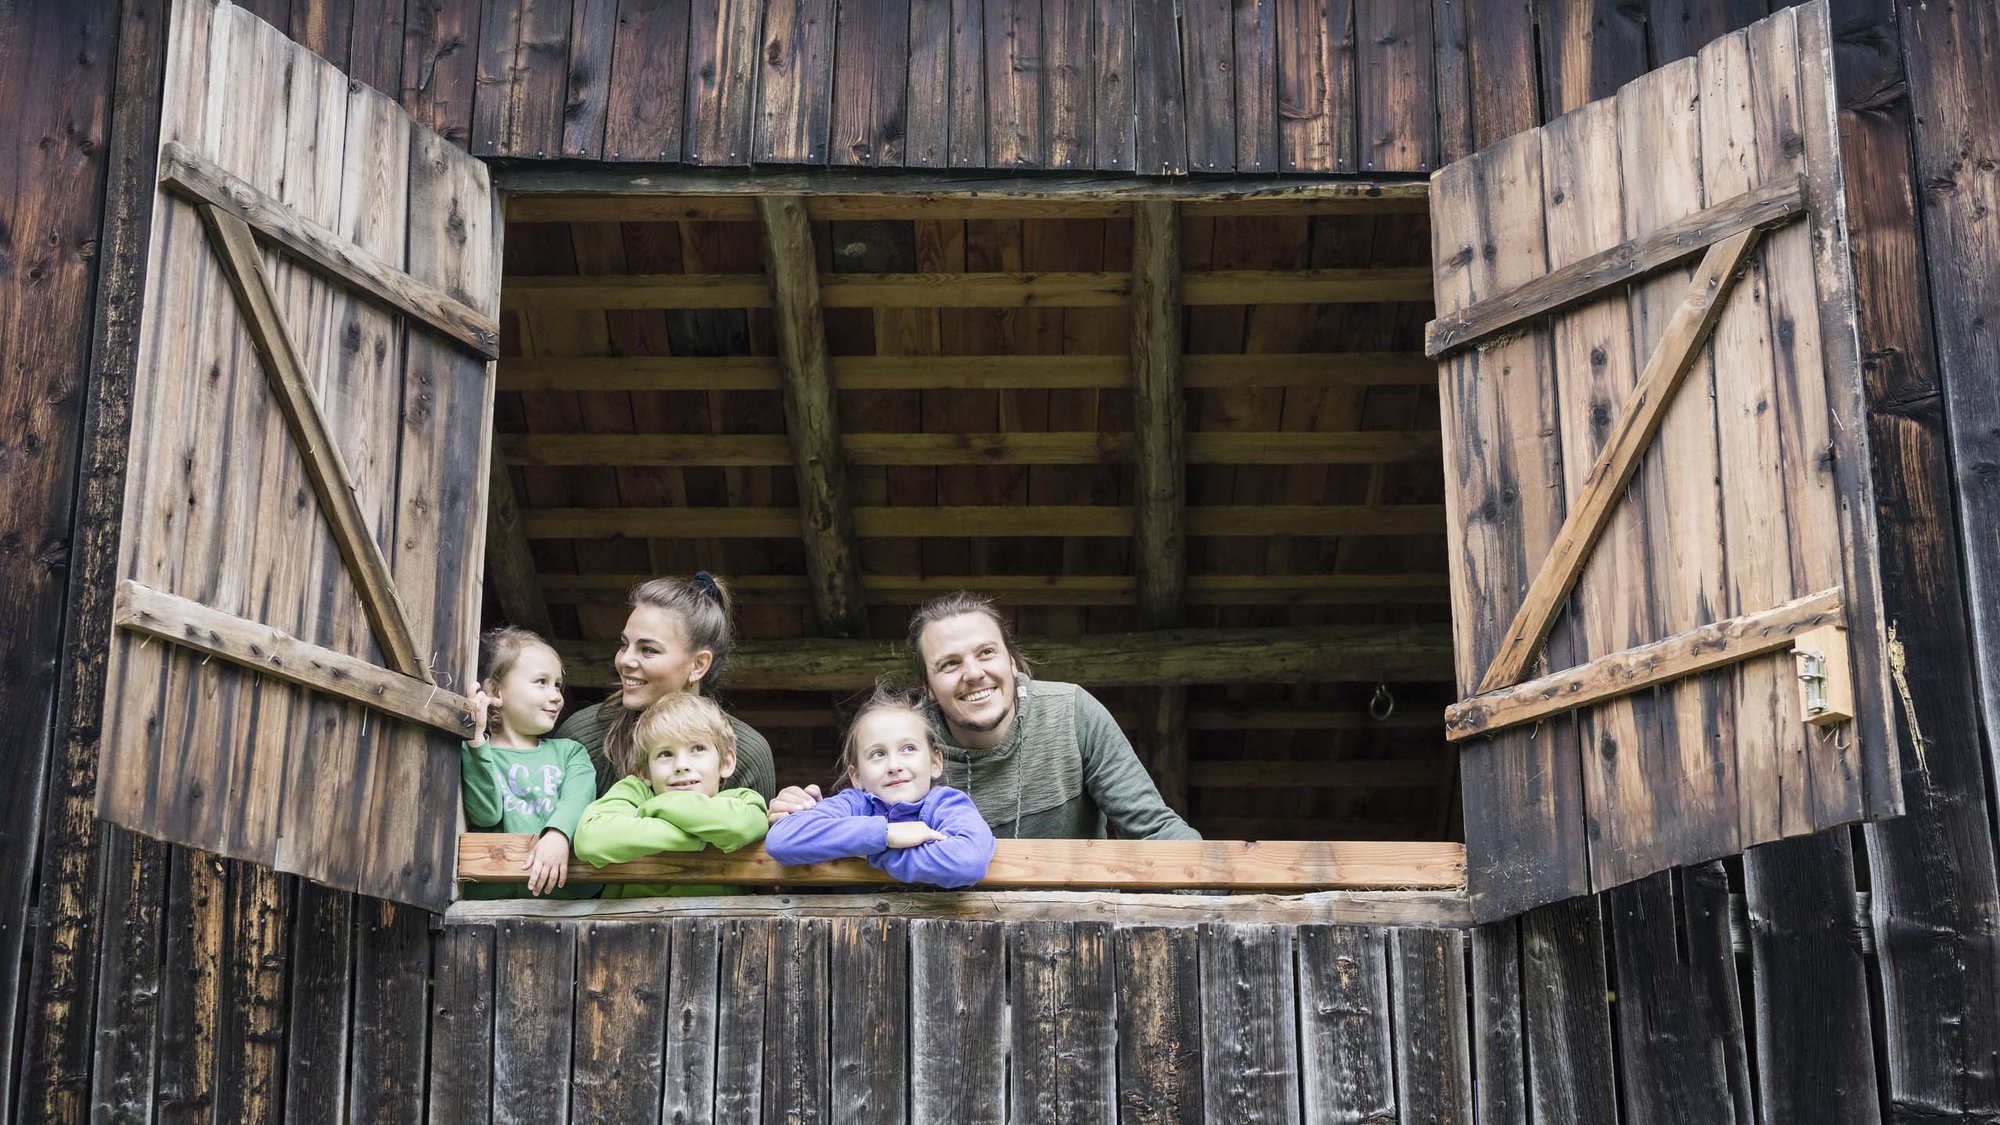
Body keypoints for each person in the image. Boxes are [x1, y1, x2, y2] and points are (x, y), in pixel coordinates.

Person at [769, 592, 1199, 840]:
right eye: (949, 664)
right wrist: (798, 813)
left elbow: (1155, 829)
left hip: (1076, 941)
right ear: (927, 689)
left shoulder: (1072, 713)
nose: (974, 674)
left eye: (987, 653)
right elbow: (850, 829)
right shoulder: (903, 737)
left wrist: (1226, 897)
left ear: (1012, 661)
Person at [554, 572, 777, 800]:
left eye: (648, 650)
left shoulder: (748, 755)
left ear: (698, 665)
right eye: (624, 645)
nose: (625, 661)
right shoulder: (580, 737)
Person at [765, 685, 996, 888]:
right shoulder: (852, 804)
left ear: (935, 762)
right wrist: (887, 834)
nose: (894, 765)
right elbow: (782, 839)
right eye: (878, 754)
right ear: (857, 778)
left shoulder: (948, 804)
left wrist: (869, 851)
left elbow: (969, 862)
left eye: (908, 749)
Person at [572, 692, 770, 898]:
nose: (681, 766)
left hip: (716, 926)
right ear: (644, 772)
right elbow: (590, 840)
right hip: (629, 924)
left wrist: (656, 808)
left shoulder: (741, 799)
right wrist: (699, 839)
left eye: (697, 749)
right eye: (665, 754)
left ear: (726, 762)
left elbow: (738, 827)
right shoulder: (634, 792)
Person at [459, 627, 599, 899]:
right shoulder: (478, 753)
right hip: (494, 904)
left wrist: (558, 834)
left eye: (557, 684)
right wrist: (476, 741)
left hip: (563, 904)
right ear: (495, 691)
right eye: (541, 682)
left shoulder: (570, 753)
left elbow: (577, 801)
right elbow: (486, 815)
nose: (556, 695)